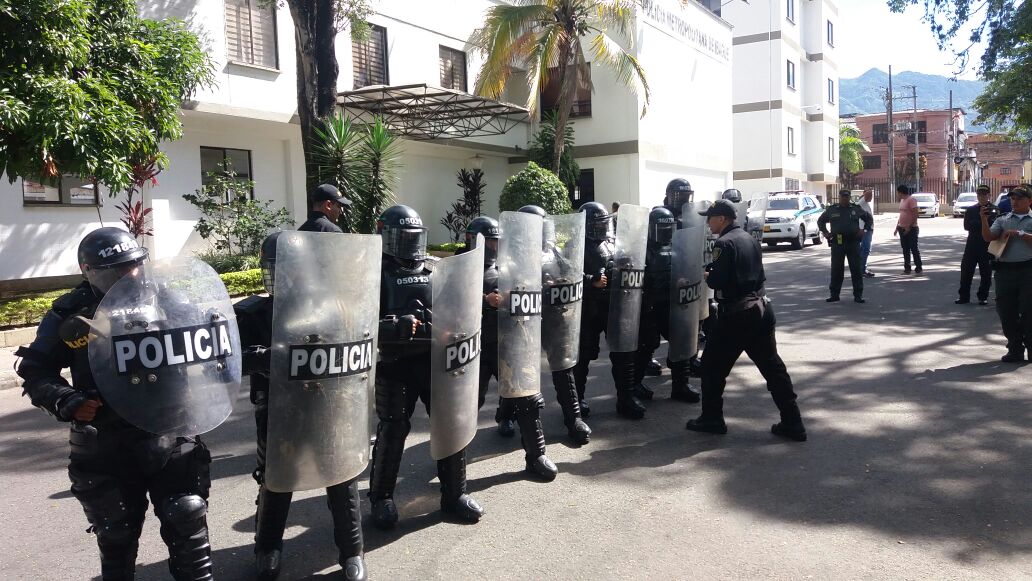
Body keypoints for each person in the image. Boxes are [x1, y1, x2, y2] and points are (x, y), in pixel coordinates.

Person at [16, 228, 215, 580]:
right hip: (107, 440)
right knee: (116, 535)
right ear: (88, 271)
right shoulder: (71, 312)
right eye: (114, 271)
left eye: (132, 266)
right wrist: (66, 399)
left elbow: (210, 343)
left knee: (187, 517)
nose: (126, 277)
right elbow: (35, 369)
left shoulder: (167, 298)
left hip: (170, 430)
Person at [234, 232, 367, 581]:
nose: (286, 277)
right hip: (277, 411)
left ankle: (352, 552)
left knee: (342, 476)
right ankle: (267, 548)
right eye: (278, 270)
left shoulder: (335, 307)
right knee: (276, 480)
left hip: (328, 405)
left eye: (292, 270)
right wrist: (265, 358)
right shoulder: (253, 313)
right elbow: (230, 359)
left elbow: (360, 345)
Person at [368, 205, 484, 528]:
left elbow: (457, 305)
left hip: (434, 362)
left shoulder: (434, 267)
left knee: (450, 424)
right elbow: (358, 325)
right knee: (393, 429)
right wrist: (394, 326)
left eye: (412, 237)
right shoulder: (374, 273)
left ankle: (454, 495)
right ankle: (381, 498)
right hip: (394, 364)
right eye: (401, 237)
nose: (408, 244)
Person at [685, 201, 806, 441]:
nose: (708, 223)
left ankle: (711, 419)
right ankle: (793, 422)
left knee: (711, 367)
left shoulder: (724, 243)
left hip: (737, 314)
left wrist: (710, 275)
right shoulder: (749, 238)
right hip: (761, 308)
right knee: (773, 368)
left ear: (722, 218)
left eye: (710, 218)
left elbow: (718, 281)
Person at [635, 207, 700, 403]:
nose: (664, 232)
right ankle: (634, 385)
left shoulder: (676, 246)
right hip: (649, 306)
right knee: (646, 346)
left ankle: (681, 386)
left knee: (680, 342)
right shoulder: (641, 249)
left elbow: (686, 269)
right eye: (660, 228)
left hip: (672, 305)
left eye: (667, 228)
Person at [981, 186, 1032, 362]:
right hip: (1005, 272)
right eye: (1012, 199)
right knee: (1006, 311)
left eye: (1019, 198)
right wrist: (984, 220)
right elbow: (989, 238)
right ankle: (1015, 349)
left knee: (1029, 312)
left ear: (1029, 201)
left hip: (1028, 271)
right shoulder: (1003, 220)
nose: (1014, 201)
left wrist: (1019, 233)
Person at [817, 190, 873, 303]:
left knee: (856, 269)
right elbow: (821, 221)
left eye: (847, 197)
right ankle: (834, 295)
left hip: (853, 242)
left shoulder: (855, 209)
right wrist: (826, 233)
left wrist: (864, 230)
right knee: (837, 269)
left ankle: (858, 295)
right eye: (843, 197)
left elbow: (868, 218)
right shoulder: (832, 209)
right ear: (839, 197)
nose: (845, 199)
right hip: (838, 243)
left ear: (849, 197)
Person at [956, 185, 997, 305]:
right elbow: (967, 226)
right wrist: (982, 222)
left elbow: (994, 226)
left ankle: (983, 296)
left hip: (987, 245)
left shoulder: (994, 209)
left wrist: (977, 222)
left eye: (984, 194)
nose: (982, 197)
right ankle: (964, 296)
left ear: (989, 195)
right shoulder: (971, 209)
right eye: (979, 195)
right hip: (972, 245)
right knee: (966, 271)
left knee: (986, 273)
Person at [894, 185, 923, 274]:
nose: (897, 194)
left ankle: (918, 267)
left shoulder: (911, 200)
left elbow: (915, 214)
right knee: (905, 249)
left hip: (911, 229)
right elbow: (901, 215)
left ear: (901, 192)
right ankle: (907, 268)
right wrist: (896, 227)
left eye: (897, 192)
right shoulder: (902, 201)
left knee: (913, 248)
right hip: (901, 228)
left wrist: (909, 226)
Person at [858, 189, 876, 277]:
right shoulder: (862, 203)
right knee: (866, 249)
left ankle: (861, 268)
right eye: (870, 196)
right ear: (866, 196)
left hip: (868, 229)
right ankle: (862, 270)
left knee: (863, 249)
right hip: (865, 230)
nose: (872, 198)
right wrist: (863, 229)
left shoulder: (865, 203)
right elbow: (861, 218)